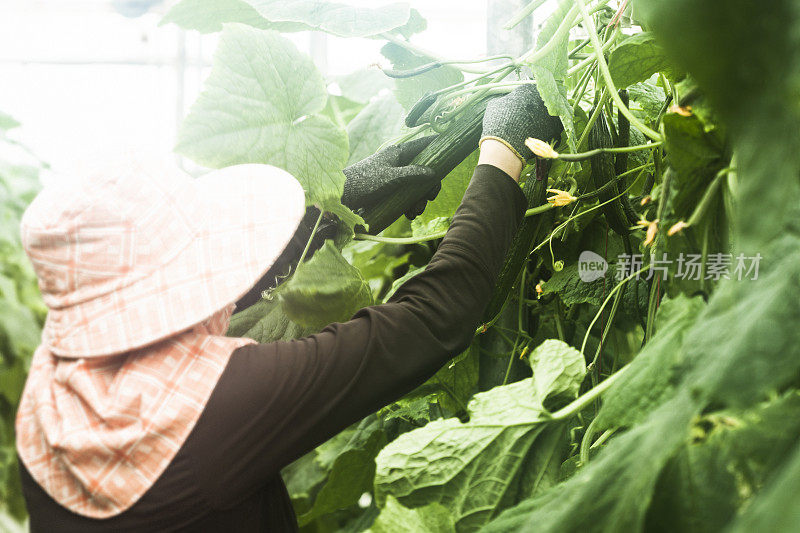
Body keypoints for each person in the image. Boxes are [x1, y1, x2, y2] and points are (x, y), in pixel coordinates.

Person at [16, 85, 561, 532]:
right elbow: (433, 319)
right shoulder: (222, 405)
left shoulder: (53, 381)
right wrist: (501, 154)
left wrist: (332, 211)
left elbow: (170, 307)